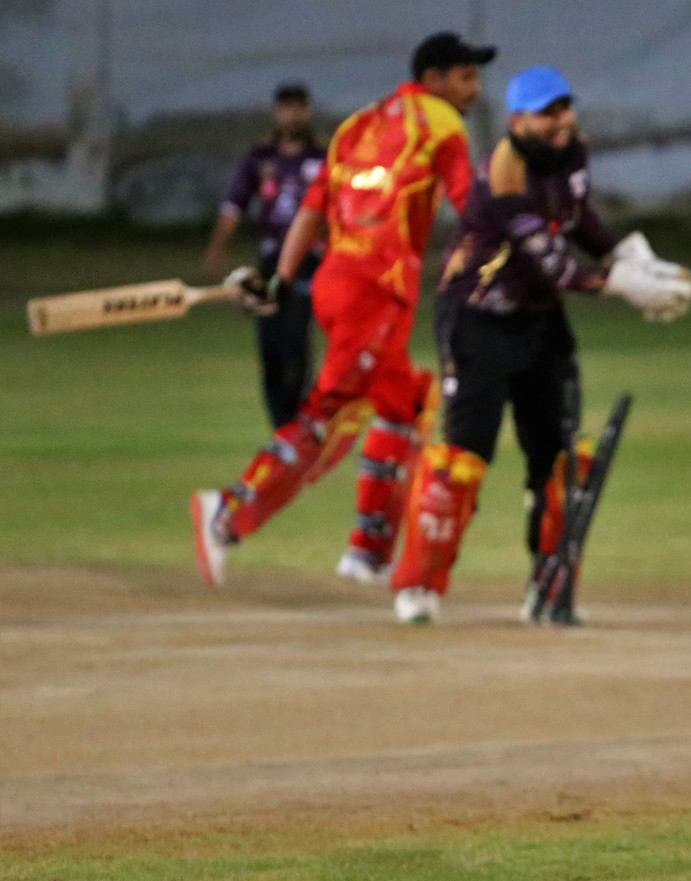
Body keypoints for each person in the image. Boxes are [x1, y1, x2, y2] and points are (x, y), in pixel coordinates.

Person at [389, 65, 691, 625]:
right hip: (477, 318)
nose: (559, 121)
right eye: (545, 113)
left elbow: (576, 217)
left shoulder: (570, 152)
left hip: (539, 320)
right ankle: (419, 586)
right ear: (517, 121)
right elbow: (551, 265)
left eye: (563, 108)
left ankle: (548, 589)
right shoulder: (504, 175)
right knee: (463, 458)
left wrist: (627, 255)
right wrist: (623, 285)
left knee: (559, 462)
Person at [190, 32, 496, 588]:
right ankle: (227, 514)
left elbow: (312, 211)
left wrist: (283, 280)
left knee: (406, 405)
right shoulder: (442, 125)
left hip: (339, 282)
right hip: (374, 291)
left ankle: (368, 553)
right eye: (466, 77)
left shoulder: (358, 124)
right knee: (328, 413)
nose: (474, 89)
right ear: (433, 80)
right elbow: (473, 208)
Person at [202, 81, 326, 429]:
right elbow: (234, 206)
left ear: (307, 111)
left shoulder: (323, 158)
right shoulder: (261, 158)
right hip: (271, 260)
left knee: (295, 340)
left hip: (309, 260)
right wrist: (217, 249)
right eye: (286, 108)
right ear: (277, 112)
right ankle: (281, 426)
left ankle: (299, 421)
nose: (292, 115)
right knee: (270, 345)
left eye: (298, 107)